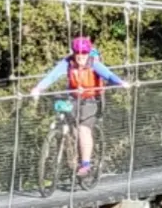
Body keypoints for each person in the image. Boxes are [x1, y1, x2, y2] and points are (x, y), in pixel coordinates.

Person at [30, 36, 129, 176]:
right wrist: (38, 88)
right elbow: (52, 76)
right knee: (73, 129)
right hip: (74, 98)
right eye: (78, 53)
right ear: (74, 53)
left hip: (91, 99)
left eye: (84, 53)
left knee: (83, 129)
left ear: (88, 53)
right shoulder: (68, 63)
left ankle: (86, 164)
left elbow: (108, 75)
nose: (81, 57)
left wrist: (120, 83)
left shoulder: (93, 63)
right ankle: (70, 156)